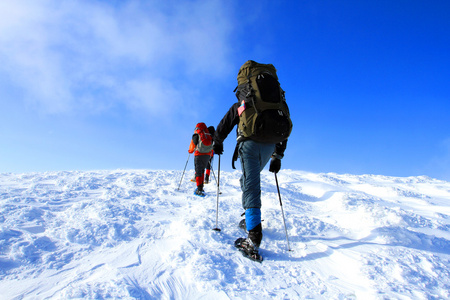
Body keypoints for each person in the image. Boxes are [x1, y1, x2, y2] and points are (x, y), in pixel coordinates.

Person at [213, 62, 288, 259]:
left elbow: (227, 122)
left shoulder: (244, 104)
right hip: (270, 144)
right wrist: (277, 155)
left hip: (250, 144)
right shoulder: (276, 102)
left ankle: (254, 235)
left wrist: (218, 141)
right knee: (247, 181)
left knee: (250, 186)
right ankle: (250, 219)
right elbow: (283, 123)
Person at [188, 122, 214, 197]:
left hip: (198, 155)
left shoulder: (197, 134)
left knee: (199, 171)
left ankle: (199, 190)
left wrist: (190, 151)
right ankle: (201, 188)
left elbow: (192, 146)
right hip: (207, 155)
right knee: (202, 170)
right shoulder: (208, 134)